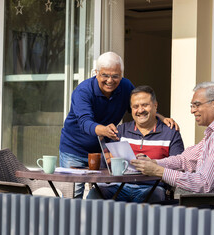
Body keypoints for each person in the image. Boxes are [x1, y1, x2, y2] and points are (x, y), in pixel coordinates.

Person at [59, 52, 178, 198]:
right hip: (75, 150)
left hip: (103, 149)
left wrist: (160, 117)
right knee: (73, 196)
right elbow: (85, 123)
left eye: (115, 76)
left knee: (100, 190)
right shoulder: (83, 91)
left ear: (121, 74)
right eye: (105, 75)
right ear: (96, 73)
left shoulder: (126, 86)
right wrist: (104, 130)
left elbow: (138, 108)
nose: (110, 80)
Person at [131, 82, 214, 195]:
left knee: (156, 210)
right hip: (212, 204)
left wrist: (158, 171)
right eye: (192, 106)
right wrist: (154, 162)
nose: (192, 110)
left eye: (197, 105)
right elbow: (185, 160)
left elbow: (203, 183)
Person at [86, 85, 184, 203]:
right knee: (94, 195)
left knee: (154, 199)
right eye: (135, 106)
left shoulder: (171, 133)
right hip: (118, 186)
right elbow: (105, 164)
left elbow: (179, 167)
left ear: (155, 106)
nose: (140, 110)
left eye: (145, 105)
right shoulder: (121, 131)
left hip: (151, 188)